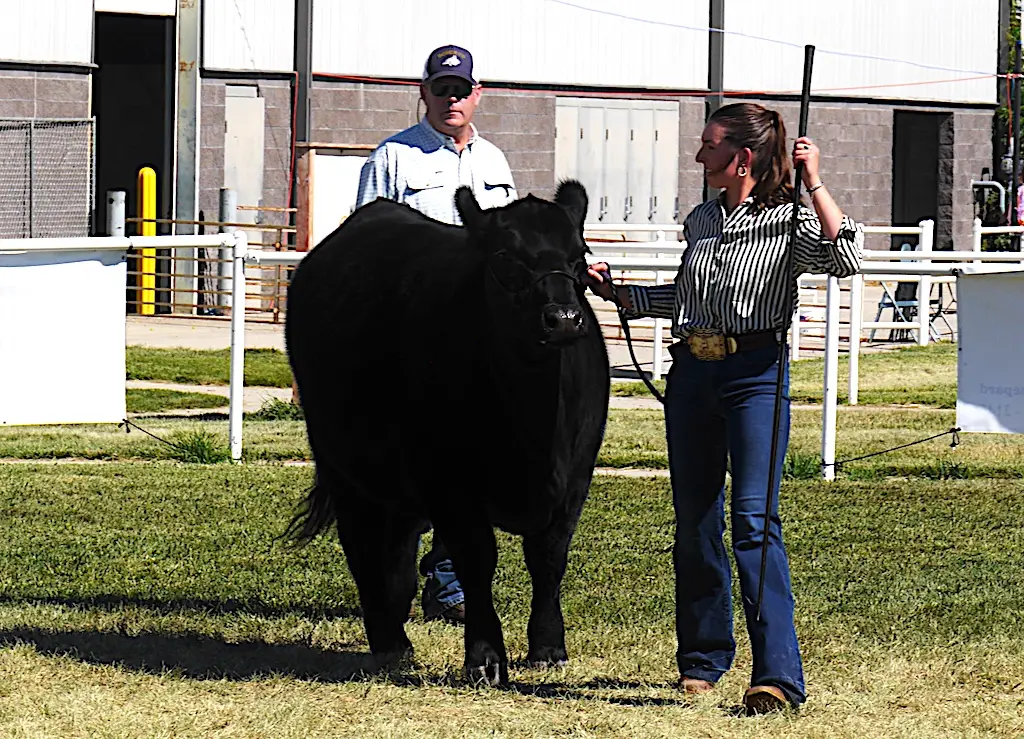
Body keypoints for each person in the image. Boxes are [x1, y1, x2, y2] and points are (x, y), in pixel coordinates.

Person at [587, 102, 863, 714]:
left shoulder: (791, 221)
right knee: (695, 518)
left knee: (754, 522)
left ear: (741, 157)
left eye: (709, 146)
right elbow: (686, 295)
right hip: (693, 374)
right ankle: (703, 660)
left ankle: (778, 676)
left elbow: (845, 258)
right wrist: (620, 293)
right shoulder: (702, 220)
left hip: (756, 375)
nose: (697, 155)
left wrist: (812, 180)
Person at [355, 45, 518, 625]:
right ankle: (395, 571)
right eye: (441, 88)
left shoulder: (495, 161)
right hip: (413, 335)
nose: (452, 99)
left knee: (473, 458)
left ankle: (450, 584)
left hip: (479, 339)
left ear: (478, 94)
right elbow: (367, 244)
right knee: (410, 460)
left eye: (461, 89)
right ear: (423, 92)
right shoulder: (394, 157)